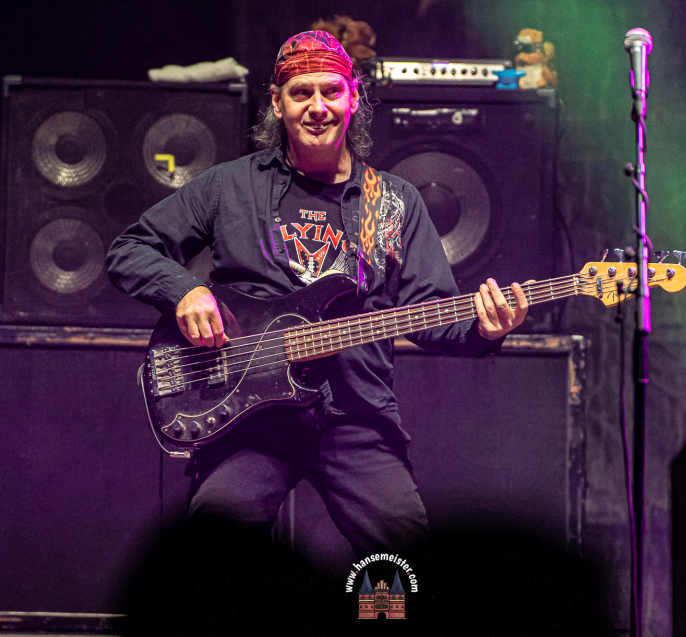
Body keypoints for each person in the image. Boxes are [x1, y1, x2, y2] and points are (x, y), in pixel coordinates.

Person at [106, 30, 529, 560]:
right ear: (277, 103)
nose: (318, 107)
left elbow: (430, 316)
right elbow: (129, 249)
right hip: (248, 420)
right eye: (301, 93)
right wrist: (185, 290)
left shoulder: (393, 202)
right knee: (210, 562)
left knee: (406, 569)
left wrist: (484, 329)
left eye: (331, 91)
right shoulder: (229, 186)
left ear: (353, 98)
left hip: (356, 416)